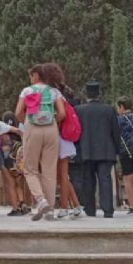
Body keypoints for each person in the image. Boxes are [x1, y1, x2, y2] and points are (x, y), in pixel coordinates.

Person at [15, 64, 66, 221]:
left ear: (36, 75)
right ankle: (50, 209)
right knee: (49, 170)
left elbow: (18, 113)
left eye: (31, 76)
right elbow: (62, 113)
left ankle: (41, 200)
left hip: (32, 128)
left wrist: (28, 123)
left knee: (30, 169)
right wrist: (52, 122)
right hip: (51, 129)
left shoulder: (27, 91)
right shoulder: (54, 91)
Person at [74, 80, 120, 218]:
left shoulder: (79, 110)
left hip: (86, 151)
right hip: (106, 151)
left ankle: (90, 210)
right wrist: (117, 150)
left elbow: (76, 132)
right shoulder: (109, 109)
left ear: (86, 94)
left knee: (88, 180)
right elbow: (115, 132)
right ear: (99, 93)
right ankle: (108, 210)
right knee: (105, 179)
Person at [43, 63, 83, 219]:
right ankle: (76, 205)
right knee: (62, 176)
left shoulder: (51, 94)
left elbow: (60, 116)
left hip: (57, 137)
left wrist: (49, 122)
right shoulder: (60, 92)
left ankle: (65, 208)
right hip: (64, 139)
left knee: (62, 175)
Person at [0, 112, 29, 216]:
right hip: (19, 162)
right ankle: (22, 203)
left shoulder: (3, 133)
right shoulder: (19, 132)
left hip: (7, 161)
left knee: (10, 185)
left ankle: (15, 208)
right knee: (18, 184)